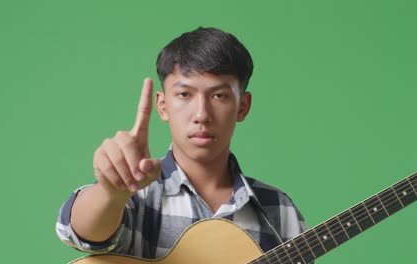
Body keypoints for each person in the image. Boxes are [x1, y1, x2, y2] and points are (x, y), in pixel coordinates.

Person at [56, 27, 308, 259]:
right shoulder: (136, 196)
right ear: (163, 105)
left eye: (219, 95)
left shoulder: (279, 209)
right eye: (184, 94)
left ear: (243, 107)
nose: (201, 114)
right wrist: (111, 194)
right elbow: (80, 232)